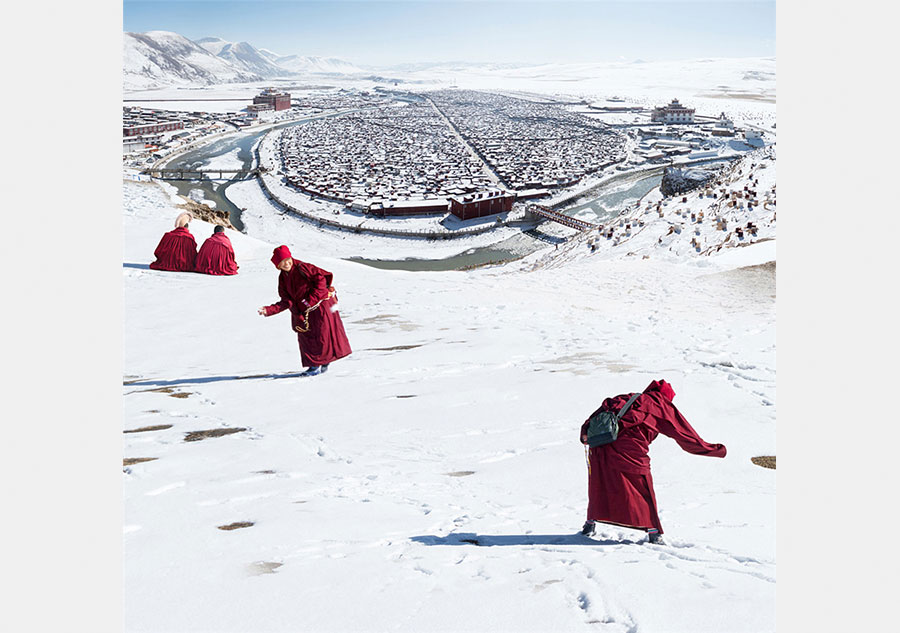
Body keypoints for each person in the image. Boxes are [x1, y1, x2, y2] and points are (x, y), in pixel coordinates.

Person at [579, 379, 726, 544]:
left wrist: (584, 433)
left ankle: (589, 525)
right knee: (642, 487)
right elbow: (683, 432)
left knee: (601, 483)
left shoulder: (627, 398)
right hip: (628, 449)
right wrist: (715, 450)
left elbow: (597, 414)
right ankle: (653, 532)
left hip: (600, 445)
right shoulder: (659, 404)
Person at [258, 245, 352, 377]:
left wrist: (309, 301)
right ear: (277, 266)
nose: (286, 264)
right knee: (306, 338)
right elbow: (286, 301)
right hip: (303, 312)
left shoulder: (303, 268)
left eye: (287, 260)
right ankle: (315, 366)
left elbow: (321, 280)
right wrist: (268, 310)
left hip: (320, 308)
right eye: (281, 263)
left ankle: (321, 365)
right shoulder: (283, 278)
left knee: (322, 337)